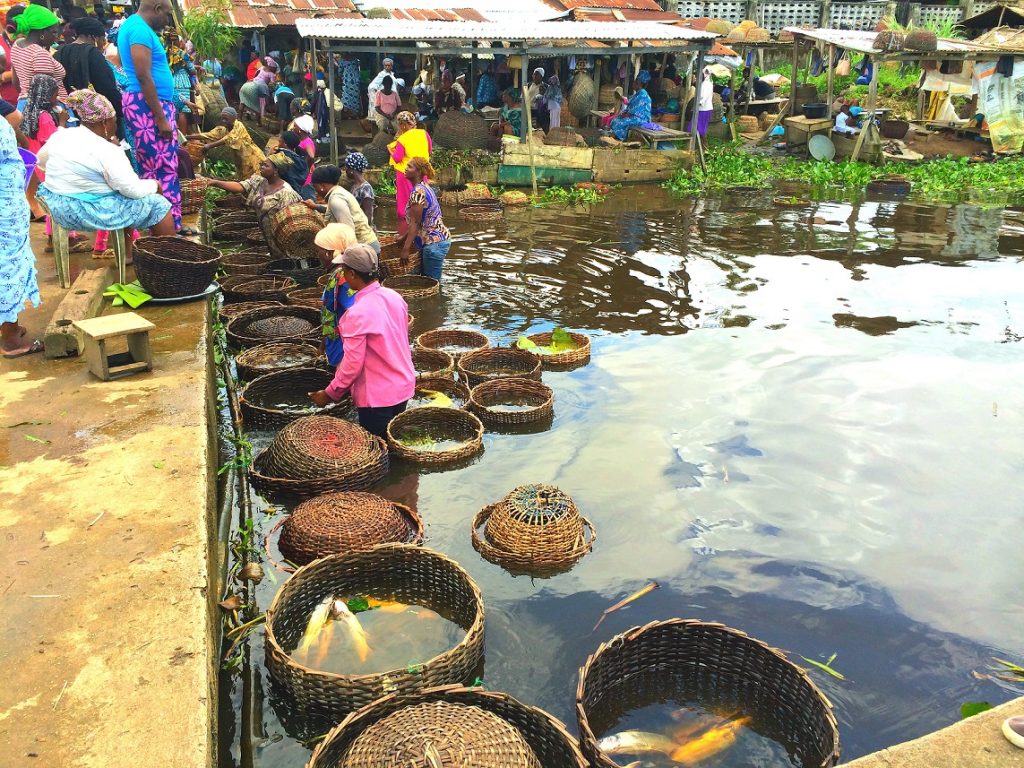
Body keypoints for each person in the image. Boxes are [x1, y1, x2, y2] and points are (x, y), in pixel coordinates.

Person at [37, 90, 175, 263]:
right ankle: (169, 259)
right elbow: (131, 189)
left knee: (118, 196)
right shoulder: (107, 150)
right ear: (104, 122)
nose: (115, 126)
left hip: (58, 208)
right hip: (88, 212)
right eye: (114, 122)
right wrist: (155, 185)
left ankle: (128, 254)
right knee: (158, 204)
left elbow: (41, 162)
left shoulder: (61, 135)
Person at [308, 243, 415, 439]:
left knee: (377, 449)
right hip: (403, 385)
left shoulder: (355, 314)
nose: (342, 275)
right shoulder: (395, 297)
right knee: (395, 442)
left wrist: (330, 393)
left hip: (377, 397)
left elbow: (352, 365)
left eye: (344, 270)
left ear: (352, 275)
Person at [118, 0, 183, 232]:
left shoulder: (136, 27)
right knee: (162, 166)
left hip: (151, 105)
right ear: (157, 9)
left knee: (159, 165)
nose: (167, 21)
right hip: (148, 107)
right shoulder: (138, 30)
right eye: (166, 15)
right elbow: (143, 75)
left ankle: (169, 224)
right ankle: (167, 230)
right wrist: (161, 118)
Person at [0, 114, 41, 358]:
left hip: (9, 200)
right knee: (7, 264)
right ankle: (11, 339)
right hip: (4, 208)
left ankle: (8, 326)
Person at [202, 154, 302, 242]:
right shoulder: (260, 181)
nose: (261, 167)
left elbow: (293, 219)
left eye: (266, 166)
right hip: (266, 235)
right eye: (262, 164)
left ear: (276, 170)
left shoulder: (286, 193)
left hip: (281, 237)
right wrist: (214, 182)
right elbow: (239, 186)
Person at [55, 17, 121, 133]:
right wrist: (119, 110)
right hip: (97, 119)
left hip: (70, 114)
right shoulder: (93, 54)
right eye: (102, 39)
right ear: (93, 37)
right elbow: (107, 87)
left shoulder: (59, 53)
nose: (102, 44)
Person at [308, 164, 380, 253]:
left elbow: (348, 230)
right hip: (366, 246)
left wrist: (343, 256)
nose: (316, 191)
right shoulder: (338, 192)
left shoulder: (336, 199)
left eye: (315, 187)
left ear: (322, 186)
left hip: (364, 249)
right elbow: (334, 210)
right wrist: (315, 206)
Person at [312, 222, 356, 367]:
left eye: (319, 250)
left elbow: (355, 314)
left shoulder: (343, 278)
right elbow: (330, 313)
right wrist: (323, 346)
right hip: (338, 345)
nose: (317, 254)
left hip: (345, 349)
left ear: (328, 253)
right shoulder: (342, 274)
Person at [400, 156, 450, 282]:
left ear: (418, 172)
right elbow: (418, 222)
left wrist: (405, 250)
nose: (406, 168)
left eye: (410, 166)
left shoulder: (418, 192)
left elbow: (415, 223)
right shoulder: (424, 187)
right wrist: (403, 238)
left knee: (430, 284)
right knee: (425, 280)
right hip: (437, 240)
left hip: (434, 243)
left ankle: (436, 301)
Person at [9, 5, 66, 112]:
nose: (57, 36)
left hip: (24, 104)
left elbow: (16, 82)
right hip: (48, 110)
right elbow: (47, 94)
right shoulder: (39, 54)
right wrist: (59, 113)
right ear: (43, 33)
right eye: (54, 32)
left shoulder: (17, 45)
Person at [187, 106, 265, 178]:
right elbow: (208, 135)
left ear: (234, 118)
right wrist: (186, 137)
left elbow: (229, 138)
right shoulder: (224, 129)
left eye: (226, 119)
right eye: (223, 119)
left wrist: (209, 146)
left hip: (253, 158)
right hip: (241, 160)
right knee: (244, 179)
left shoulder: (238, 126)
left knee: (256, 180)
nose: (224, 121)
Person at [388, 110, 431, 224]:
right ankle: (422, 222)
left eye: (400, 124)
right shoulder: (424, 133)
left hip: (406, 173)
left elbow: (397, 158)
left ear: (403, 125)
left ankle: (405, 227)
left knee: (405, 202)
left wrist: (390, 150)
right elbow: (429, 150)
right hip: (422, 171)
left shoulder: (402, 139)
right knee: (422, 198)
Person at [166, 33, 197, 133]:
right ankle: (183, 138)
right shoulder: (182, 54)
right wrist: (194, 71)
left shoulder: (165, 52)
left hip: (170, 81)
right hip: (182, 82)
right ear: (178, 42)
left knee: (172, 109)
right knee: (183, 111)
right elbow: (191, 70)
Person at [272, 130, 314, 200]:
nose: (278, 144)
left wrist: (270, 155)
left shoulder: (279, 157)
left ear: (285, 143)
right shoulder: (302, 160)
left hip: (283, 194)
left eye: (280, 141)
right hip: (299, 193)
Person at [610, 72, 652, 141]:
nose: (633, 84)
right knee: (615, 120)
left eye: (635, 82)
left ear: (639, 84)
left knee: (620, 123)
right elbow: (630, 103)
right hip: (634, 117)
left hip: (642, 119)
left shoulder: (642, 94)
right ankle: (617, 138)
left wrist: (626, 114)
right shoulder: (638, 93)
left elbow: (636, 110)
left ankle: (620, 140)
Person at [344, 152, 374, 227]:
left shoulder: (365, 188)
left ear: (351, 169)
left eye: (347, 167)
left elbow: (368, 213)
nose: (345, 170)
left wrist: (366, 230)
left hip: (363, 229)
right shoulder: (355, 186)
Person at [690, 66, 714, 138]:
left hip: (704, 109)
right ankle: (699, 145)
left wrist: (698, 103)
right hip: (701, 108)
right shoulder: (703, 84)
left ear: (705, 75)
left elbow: (704, 97)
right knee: (695, 127)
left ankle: (703, 146)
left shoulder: (707, 84)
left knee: (700, 129)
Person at [292, 113, 316, 183]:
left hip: (305, 177)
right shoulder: (302, 140)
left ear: (300, 129)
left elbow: (311, 156)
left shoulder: (306, 142)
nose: (293, 128)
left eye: (295, 126)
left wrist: (307, 168)